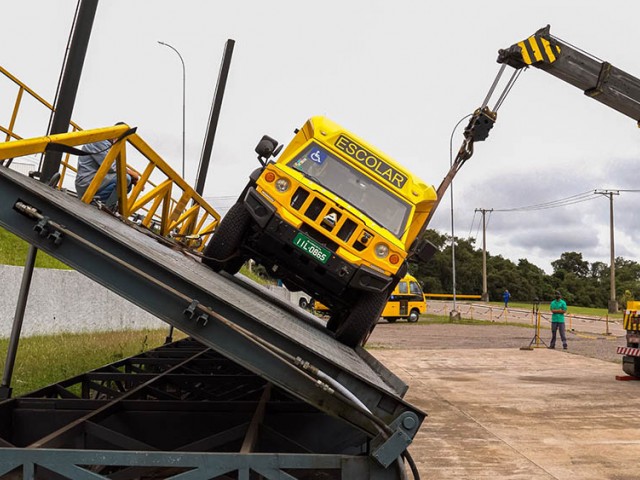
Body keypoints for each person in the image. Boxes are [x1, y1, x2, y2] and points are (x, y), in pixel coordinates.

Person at [75, 135, 139, 209]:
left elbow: (114, 167)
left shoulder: (107, 145)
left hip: (93, 182)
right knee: (125, 179)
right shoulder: (99, 142)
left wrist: (132, 177)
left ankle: (105, 204)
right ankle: (104, 207)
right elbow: (111, 166)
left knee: (127, 181)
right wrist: (132, 174)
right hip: (86, 183)